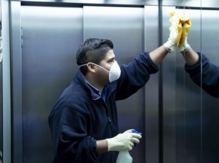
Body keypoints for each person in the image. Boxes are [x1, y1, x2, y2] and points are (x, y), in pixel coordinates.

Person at [48, 17, 183, 162]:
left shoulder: (107, 86)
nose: (116, 65)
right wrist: (112, 143)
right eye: (110, 61)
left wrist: (169, 45)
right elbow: (69, 150)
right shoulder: (71, 104)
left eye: (115, 59)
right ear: (92, 67)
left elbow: (138, 68)